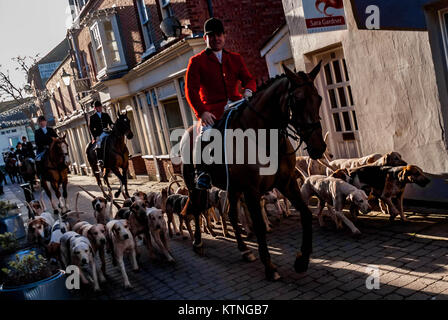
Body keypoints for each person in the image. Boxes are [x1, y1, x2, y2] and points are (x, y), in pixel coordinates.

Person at [185, 17, 256, 189]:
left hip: (238, 105)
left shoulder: (235, 58)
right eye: (212, 35)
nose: (216, 38)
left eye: (219, 35)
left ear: (224, 36)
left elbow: (249, 79)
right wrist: (202, 112)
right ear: (205, 38)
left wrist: (248, 90)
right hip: (212, 111)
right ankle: (203, 173)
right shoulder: (196, 61)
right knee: (205, 135)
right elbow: (190, 91)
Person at [89, 100, 113, 167]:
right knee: (98, 144)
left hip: (107, 132)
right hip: (99, 134)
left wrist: (112, 126)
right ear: (95, 108)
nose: (100, 108)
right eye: (98, 107)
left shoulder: (106, 115)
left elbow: (110, 123)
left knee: (116, 138)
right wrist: (95, 136)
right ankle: (100, 160)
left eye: (100, 107)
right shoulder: (92, 117)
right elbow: (91, 128)